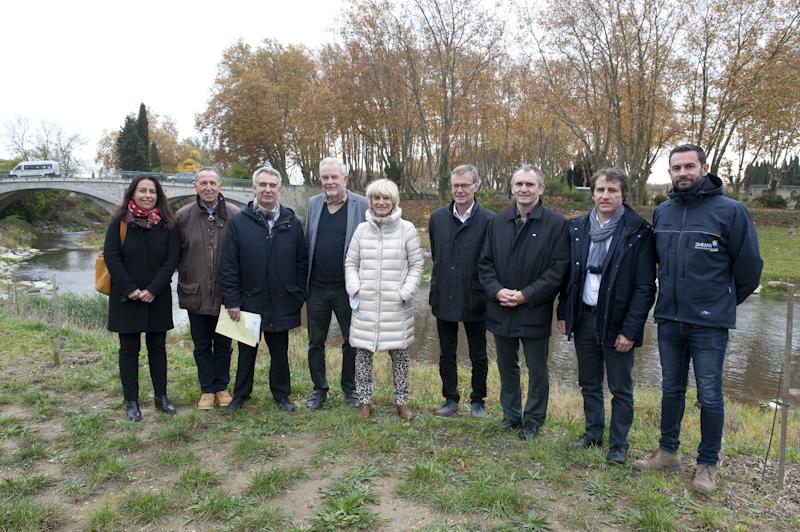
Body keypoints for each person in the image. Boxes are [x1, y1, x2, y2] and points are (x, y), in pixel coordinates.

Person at [633, 144, 762, 493]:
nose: (683, 173)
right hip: (669, 319)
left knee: (710, 394)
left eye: (689, 166)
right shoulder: (663, 212)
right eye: (676, 168)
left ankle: (707, 464)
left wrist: (722, 304)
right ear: (670, 173)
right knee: (671, 389)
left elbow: (750, 269)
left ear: (705, 168)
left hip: (709, 323)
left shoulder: (731, 211)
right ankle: (667, 452)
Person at [556, 168, 656, 464]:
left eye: (612, 190)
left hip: (617, 322)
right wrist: (564, 311)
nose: (605, 195)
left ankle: (619, 444)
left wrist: (630, 330)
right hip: (584, 318)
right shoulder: (578, 227)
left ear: (623, 195)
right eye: (600, 190)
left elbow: (645, 288)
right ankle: (593, 433)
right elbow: (570, 276)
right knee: (589, 382)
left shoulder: (638, 232)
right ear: (593, 194)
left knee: (620, 388)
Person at [478, 164, 569, 440]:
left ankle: (533, 421)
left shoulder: (556, 224)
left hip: (534, 309)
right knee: (506, 366)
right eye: (519, 184)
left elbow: (557, 270)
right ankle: (510, 415)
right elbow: (484, 264)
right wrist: (497, 291)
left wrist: (526, 295)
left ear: (541, 189)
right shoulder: (497, 222)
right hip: (501, 307)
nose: (524, 189)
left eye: (530, 184)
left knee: (537, 370)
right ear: (512, 188)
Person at [220, 167, 308, 413]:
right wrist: (232, 301)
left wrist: (298, 293)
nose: (267, 190)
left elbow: (302, 262)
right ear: (254, 188)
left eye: (272, 185)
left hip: (282, 299)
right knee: (246, 351)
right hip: (249, 299)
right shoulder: (239, 222)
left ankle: (282, 395)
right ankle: (240, 395)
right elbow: (229, 265)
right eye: (263, 185)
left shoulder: (291, 222)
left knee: (280, 352)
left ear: (279, 189)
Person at [345, 178, 424, 421]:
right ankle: (364, 402)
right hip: (366, 305)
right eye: (376, 198)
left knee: (400, 357)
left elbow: (417, 266)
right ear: (370, 201)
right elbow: (351, 263)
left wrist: (405, 293)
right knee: (362, 356)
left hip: (396, 306)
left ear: (394, 201)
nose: (381, 202)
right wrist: (355, 289)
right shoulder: (361, 230)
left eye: (386, 198)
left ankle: (401, 402)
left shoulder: (407, 229)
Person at [103, 175, 180, 421]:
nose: (148, 195)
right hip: (126, 297)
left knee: (157, 348)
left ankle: (161, 397)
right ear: (133, 193)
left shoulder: (168, 224)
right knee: (129, 350)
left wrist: (153, 289)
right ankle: (132, 402)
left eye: (152, 191)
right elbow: (112, 256)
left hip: (157, 296)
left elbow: (172, 258)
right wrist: (129, 289)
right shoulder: (119, 222)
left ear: (159, 195)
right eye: (142, 190)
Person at [428, 164, 492, 419]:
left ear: (476, 186)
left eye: (465, 185)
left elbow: (491, 260)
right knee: (446, 352)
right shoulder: (437, 218)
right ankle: (450, 398)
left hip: (476, 296)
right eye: (456, 185)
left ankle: (478, 400)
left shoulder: (489, 220)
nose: (460, 190)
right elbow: (437, 254)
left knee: (478, 353)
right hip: (444, 294)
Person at [304, 157, 369, 410]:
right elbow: (308, 241)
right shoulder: (313, 204)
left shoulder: (361, 204)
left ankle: (350, 389)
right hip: (316, 288)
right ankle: (319, 390)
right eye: (325, 177)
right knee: (315, 342)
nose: (329, 182)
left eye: (334, 177)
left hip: (347, 289)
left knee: (351, 341)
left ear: (345, 179)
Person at [175, 166, 240, 410]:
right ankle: (207, 390)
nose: (208, 187)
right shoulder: (182, 217)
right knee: (201, 345)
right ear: (195, 186)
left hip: (225, 294)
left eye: (213, 183)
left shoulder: (235, 215)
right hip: (196, 292)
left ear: (220, 185)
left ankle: (222, 387)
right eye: (203, 183)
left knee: (223, 345)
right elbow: (174, 255)